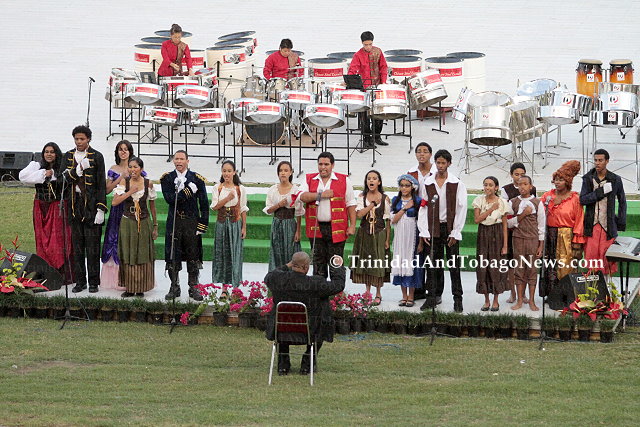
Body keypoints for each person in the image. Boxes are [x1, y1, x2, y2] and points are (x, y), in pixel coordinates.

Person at [264, 252, 345, 376]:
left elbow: (270, 275)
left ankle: (283, 364)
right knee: (324, 311)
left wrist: (288, 265)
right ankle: (307, 364)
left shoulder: (277, 279)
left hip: (282, 330)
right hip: (310, 331)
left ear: (292, 264)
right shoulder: (315, 283)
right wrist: (336, 266)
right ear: (306, 267)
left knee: (284, 318)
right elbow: (338, 285)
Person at [417, 149, 467, 312]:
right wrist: (424, 230)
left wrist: (455, 231)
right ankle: (432, 297)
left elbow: (461, 208)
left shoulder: (457, 183)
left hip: (449, 227)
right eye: (438, 162)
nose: (440, 166)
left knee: (453, 266)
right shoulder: (428, 183)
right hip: (433, 227)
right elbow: (423, 207)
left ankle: (457, 299)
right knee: (432, 265)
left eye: (443, 163)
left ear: (449, 164)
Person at [60, 125, 107, 293]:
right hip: (74, 205)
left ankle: (93, 282)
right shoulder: (67, 156)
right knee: (78, 247)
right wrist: (78, 169)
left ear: (89, 139)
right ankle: (80, 281)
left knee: (93, 247)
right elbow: (62, 179)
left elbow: (101, 184)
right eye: (76, 139)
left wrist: (101, 209)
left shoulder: (97, 156)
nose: (79, 142)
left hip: (92, 206)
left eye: (82, 139)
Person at [19, 142, 74, 284]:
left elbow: (66, 181)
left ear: (57, 154)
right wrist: (43, 173)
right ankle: (45, 270)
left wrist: (52, 173)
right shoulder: (37, 166)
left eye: (52, 152)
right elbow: (23, 177)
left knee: (57, 240)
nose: (49, 154)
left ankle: (60, 271)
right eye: (46, 151)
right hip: (40, 206)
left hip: (57, 207)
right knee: (41, 238)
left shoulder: (62, 168)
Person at [299, 152, 357, 279]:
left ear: (332, 165)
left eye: (326, 164)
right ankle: (320, 290)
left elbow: (351, 203)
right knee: (318, 263)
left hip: (337, 228)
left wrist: (352, 225)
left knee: (336, 262)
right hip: (316, 228)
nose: (323, 167)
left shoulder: (344, 179)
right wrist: (320, 195)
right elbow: (302, 196)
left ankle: (337, 290)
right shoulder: (309, 179)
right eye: (320, 164)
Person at [160, 150, 209, 301]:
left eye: (182, 159)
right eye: (176, 159)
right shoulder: (167, 178)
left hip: (191, 222)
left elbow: (204, 204)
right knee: (173, 254)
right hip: (174, 222)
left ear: (188, 161)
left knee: (193, 255)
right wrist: (187, 191)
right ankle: (174, 286)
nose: (179, 162)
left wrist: (202, 224)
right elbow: (170, 199)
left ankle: (193, 286)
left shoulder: (197, 179)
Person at [540, 161, 585, 310]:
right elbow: (540, 214)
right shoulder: (547, 196)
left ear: (568, 181)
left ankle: (567, 297)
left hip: (566, 236)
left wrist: (577, 241)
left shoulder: (574, 198)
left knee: (565, 266)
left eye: (561, 180)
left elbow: (579, 219)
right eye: (556, 179)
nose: (557, 182)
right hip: (549, 235)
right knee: (550, 266)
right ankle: (552, 295)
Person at [111, 157, 158, 297]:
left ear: (141, 169)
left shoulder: (148, 184)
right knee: (128, 252)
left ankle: (141, 287)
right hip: (128, 222)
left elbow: (152, 207)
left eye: (135, 167)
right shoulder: (124, 182)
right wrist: (130, 192)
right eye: (130, 167)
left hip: (144, 221)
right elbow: (114, 202)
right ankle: (130, 287)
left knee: (142, 253)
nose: (132, 170)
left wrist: (155, 226)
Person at [101, 140, 145, 289]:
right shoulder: (113, 169)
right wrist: (121, 177)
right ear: (117, 152)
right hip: (117, 208)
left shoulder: (137, 168)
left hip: (132, 208)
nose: (123, 152)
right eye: (121, 149)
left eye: (126, 149)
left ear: (130, 152)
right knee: (115, 238)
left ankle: (133, 277)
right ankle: (115, 278)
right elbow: (107, 190)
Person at [580, 149, 627, 276]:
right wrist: (599, 193)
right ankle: (592, 286)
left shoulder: (615, 179)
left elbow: (622, 201)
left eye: (600, 160)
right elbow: (582, 200)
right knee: (592, 258)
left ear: (607, 161)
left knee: (606, 259)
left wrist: (621, 223)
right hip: (592, 225)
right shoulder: (588, 178)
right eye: (595, 160)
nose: (597, 163)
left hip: (608, 226)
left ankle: (606, 287)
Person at [349, 170, 391, 305]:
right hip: (365, 233)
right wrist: (372, 204)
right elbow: (359, 214)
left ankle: (378, 293)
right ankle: (367, 292)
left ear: (379, 182)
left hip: (379, 233)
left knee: (378, 262)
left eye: (374, 178)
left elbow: (387, 221)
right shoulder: (362, 196)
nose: (371, 180)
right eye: (369, 178)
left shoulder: (385, 198)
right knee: (366, 261)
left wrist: (387, 240)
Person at [507, 176, 545, 311]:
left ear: (530, 186)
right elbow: (508, 223)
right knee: (519, 269)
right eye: (520, 184)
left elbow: (541, 225)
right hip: (518, 239)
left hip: (533, 240)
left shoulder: (537, 203)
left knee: (532, 270)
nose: (522, 187)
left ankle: (532, 301)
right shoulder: (513, 202)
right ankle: (519, 300)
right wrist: (523, 214)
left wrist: (540, 245)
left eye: (525, 184)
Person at [501, 162, 536, 304]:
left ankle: (524, 293)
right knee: (512, 264)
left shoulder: (531, 189)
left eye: (522, 174)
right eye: (516, 174)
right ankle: (513, 293)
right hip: (511, 231)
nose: (519, 177)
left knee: (526, 263)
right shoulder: (506, 190)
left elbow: (533, 209)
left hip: (527, 231)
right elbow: (505, 212)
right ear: (511, 175)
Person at [473, 176, 510, 311]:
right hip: (483, 234)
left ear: (496, 187)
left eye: (490, 185)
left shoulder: (502, 202)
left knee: (495, 266)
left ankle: (495, 300)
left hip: (497, 233)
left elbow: (505, 225)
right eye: (485, 185)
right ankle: (486, 300)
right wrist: (491, 209)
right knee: (483, 266)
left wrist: (505, 245)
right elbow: (477, 219)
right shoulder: (479, 200)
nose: (487, 187)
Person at [211, 160, 249, 290]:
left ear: (234, 172)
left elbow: (243, 208)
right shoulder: (218, 188)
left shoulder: (240, 189)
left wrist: (244, 227)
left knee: (235, 254)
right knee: (223, 253)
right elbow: (215, 207)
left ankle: (235, 287)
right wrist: (227, 198)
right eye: (224, 171)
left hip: (235, 223)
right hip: (222, 224)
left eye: (229, 171)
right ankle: (224, 288)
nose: (226, 174)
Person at [406, 141, 436, 300]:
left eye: (425, 151)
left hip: (433, 216)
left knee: (431, 255)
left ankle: (434, 291)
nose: (421, 154)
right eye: (419, 151)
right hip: (416, 216)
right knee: (416, 253)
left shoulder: (437, 171)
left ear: (430, 154)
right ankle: (418, 288)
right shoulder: (411, 172)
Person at [348, 31, 388, 147]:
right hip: (364, 89)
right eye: (366, 45)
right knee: (364, 116)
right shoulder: (358, 55)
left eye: (370, 44)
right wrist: (350, 80)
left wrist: (383, 82)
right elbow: (352, 70)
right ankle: (366, 139)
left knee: (378, 113)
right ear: (362, 43)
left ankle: (376, 136)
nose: (368, 47)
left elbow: (383, 67)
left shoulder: (378, 51)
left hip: (377, 87)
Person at [390, 174, 424, 307]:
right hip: (400, 237)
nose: (404, 188)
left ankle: (411, 295)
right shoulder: (396, 200)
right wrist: (405, 208)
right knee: (401, 263)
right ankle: (404, 296)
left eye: (407, 186)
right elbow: (393, 219)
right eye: (402, 185)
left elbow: (422, 222)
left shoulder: (418, 201)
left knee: (411, 264)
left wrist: (421, 241)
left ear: (412, 187)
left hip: (413, 236)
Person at [263, 161, 304, 272]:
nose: (283, 173)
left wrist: (298, 231)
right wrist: (279, 205)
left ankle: (291, 279)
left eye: (286, 170)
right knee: (276, 252)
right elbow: (268, 210)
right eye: (281, 171)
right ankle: (276, 277)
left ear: (291, 172)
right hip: (276, 224)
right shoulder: (273, 189)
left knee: (290, 252)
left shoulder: (295, 190)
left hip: (290, 224)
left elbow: (299, 212)